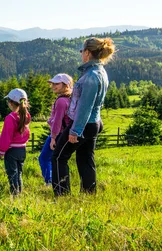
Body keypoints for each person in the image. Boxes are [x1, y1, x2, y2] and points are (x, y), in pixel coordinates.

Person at [52, 37, 116, 196]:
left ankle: (62, 195)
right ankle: (89, 194)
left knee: (59, 157)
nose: (81, 54)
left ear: (87, 53)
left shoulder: (90, 76)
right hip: (94, 122)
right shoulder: (101, 72)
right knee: (85, 158)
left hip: (83, 124)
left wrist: (75, 131)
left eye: (82, 51)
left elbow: (84, 106)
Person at [38, 73, 73, 185]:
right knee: (54, 159)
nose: (53, 86)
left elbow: (58, 121)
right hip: (65, 133)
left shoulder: (61, 101)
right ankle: (54, 181)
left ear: (66, 85)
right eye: (52, 83)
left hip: (58, 134)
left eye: (57, 83)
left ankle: (50, 181)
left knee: (44, 158)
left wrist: (53, 138)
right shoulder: (69, 98)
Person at [0, 88, 31, 195]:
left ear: (11, 103)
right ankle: (19, 192)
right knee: (19, 173)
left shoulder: (10, 118)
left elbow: (6, 136)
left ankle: (14, 195)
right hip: (22, 149)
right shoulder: (26, 116)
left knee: (12, 173)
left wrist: (2, 151)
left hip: (11, 151)